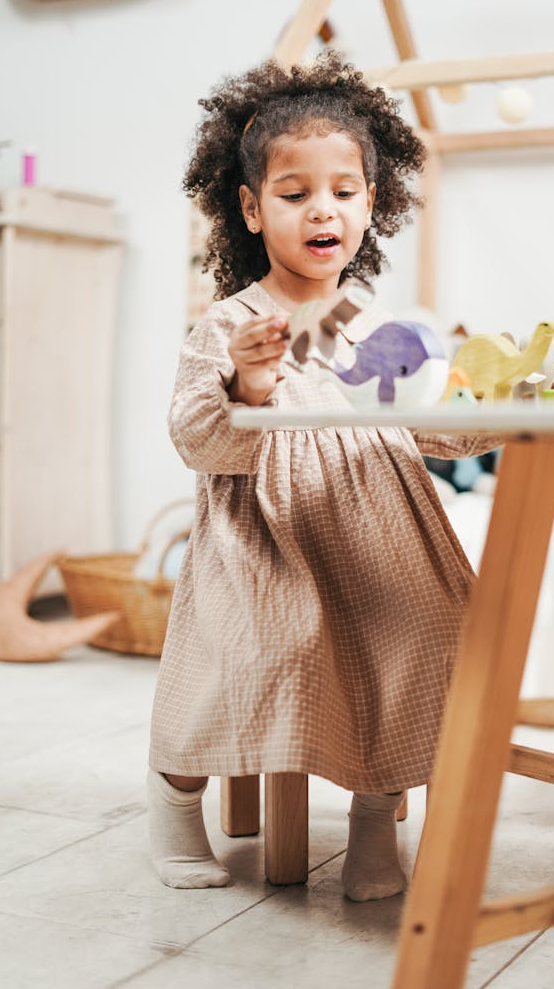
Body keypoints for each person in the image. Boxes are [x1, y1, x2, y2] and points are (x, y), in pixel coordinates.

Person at [147, 51, 499, 901]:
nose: (322, 210)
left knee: (423, 635)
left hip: (379, 529)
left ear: (372, 204)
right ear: (250, 207)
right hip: (265, 542)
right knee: (257, 650)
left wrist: (494, 403)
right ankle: (174, 801)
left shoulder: (374, 321)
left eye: (343, 191)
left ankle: (376, 824)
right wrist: (247, 383)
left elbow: (434, 427)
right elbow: (196, 439)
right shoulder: (229, 323)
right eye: (295, 192)